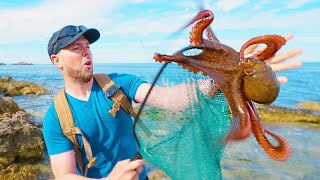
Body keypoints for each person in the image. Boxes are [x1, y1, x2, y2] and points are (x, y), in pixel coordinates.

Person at [42, 25, 302, 180]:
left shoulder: (118, 83)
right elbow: (64, 175)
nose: (86, 51)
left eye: (87, 45)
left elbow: (170, 98)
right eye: (76, 48)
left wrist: (221, 79)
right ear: (57, 61)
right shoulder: (56, 117)